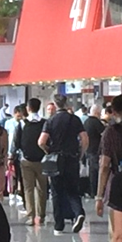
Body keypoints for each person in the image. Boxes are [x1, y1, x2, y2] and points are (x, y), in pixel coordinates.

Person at [40, 95, 88, 233]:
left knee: (56, 192)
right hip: (72, 158)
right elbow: (85, 139)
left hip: (56, 159)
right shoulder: (75, 119)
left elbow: (41, 141)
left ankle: (59, 225)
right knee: (73, 190)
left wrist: (49, 151)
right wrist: (80, 154)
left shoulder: (50, 121)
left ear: (55, 105)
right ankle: (78, 213)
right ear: (66, 103)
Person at [16, 97, 49, 228]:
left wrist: (13, 155)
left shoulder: (22, 123)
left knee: (28, 189)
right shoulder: (45, 123)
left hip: (26, 160)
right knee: (42, 188)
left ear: (28, 108)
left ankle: (31, 216)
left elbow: (16, 142)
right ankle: (41, 215)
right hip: (42, 160)